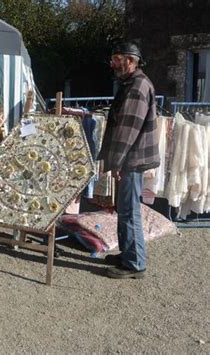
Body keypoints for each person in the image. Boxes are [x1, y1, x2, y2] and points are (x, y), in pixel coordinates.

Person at [98, 42, 160, 279]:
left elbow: (127, 130)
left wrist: (116, 163)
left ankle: (134, 263)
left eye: (117, 58)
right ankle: (128, 254)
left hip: (132, 160)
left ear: (131, 61)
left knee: (130, 210)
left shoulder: (137, 86)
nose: (113, 64)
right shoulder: (132, 84)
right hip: (130, 159)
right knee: (125, 209)